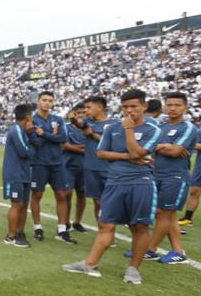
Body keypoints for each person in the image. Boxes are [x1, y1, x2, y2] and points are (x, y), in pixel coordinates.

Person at [63, 89, 161, 284]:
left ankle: (133, 269)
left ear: (144, 106)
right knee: (106, 224)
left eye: (134, 106)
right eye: (125, 107)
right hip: (115, 181)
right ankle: (90, 264)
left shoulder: (153, 129)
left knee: (139, 227)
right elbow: (102, 153)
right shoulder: (112, 128)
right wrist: (130, 156)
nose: (129, 111)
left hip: (141, 183)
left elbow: (138, 151)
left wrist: (129, 130)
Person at [138, 92, 196, 264]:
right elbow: (146, 148)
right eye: (169, 104)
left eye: (177, 105)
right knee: (166, 214)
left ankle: (150, 249)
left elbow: (176, 151)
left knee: (164, 213)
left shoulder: (188, 127)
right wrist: (163, 146)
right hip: (157, 173)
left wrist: (163, 147)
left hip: (175, 176)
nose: (172, 108)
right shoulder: (161, 126)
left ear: (185, 107)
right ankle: (178, 251)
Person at [29, 91, 74, 244]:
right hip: (39, 163)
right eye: (44, 100)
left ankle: (62, 230)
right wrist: (50, 135)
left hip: (57, 163)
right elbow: (35, 141)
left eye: (50, 100)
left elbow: (63, 139)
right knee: (37, 195)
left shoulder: (58, 120)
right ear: (38, 101)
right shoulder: (32, 120)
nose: (47, 103)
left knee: (62, 195)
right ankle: (37, 227)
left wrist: (44, 134)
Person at [2, 104, 37, 248]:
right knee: (16, 204)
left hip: (24, 173)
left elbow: (32, 146)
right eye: (32, 115)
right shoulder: (16, 130)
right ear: (28, 116)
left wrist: (31, 135)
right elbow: (25, 152)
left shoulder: (24, 130)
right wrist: (32, 150)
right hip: (14, 174)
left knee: (23, 205)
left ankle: (19, 232)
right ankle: (11, 236)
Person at [81, 96, 114, 225]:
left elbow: (113, 143)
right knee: (97, 201)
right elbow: (78, 123)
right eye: (85, 107)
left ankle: (109, 229)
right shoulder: (88, 122)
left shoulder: (114, 124)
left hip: (108, 167)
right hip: (91, 167)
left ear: (100, 107)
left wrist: (92, 134)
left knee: (110, 201)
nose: (86, 110)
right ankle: (103, 229)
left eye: (89, 107)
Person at [63, 103, 88, 233]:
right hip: (68, 165)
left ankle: (77, 222)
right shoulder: (66, 127)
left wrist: (78, 148)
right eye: (78, 113)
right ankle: (65, 222)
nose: (81, 115)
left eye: (83, 112)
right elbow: (65, 145)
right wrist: (84, 149)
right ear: (74, 114)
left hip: (85, 166)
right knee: (67, 194)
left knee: (82, 194)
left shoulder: (89, 127)